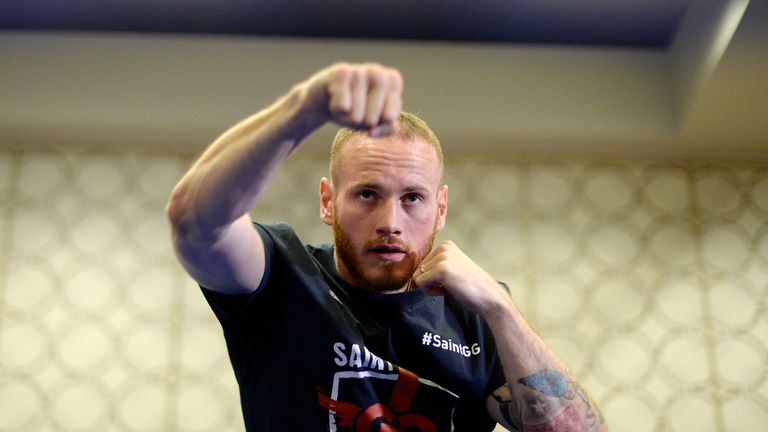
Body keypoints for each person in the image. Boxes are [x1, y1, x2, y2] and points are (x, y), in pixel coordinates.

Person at [166, 62, 607, 431]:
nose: (390, 224)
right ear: (328, 201)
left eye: (412, 198)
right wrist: (302, 110)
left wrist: (501, 308)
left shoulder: (475, 318)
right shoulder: (283, 274)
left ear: (440, 209)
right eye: (366, 194)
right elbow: (194, 222)